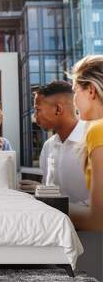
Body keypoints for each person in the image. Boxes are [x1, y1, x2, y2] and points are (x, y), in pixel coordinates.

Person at [25, 80, 89, 204]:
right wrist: (41, 190)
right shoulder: (48, 146)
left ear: (58, 109)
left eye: (38, 110)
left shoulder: (92, 142)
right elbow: (52, 191)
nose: (35, 116)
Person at [70, 55, 103, 231]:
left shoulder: (98, 130)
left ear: (90, 90)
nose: (73, 99)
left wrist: (46, 207)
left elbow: (99, 221)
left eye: (75, 90)